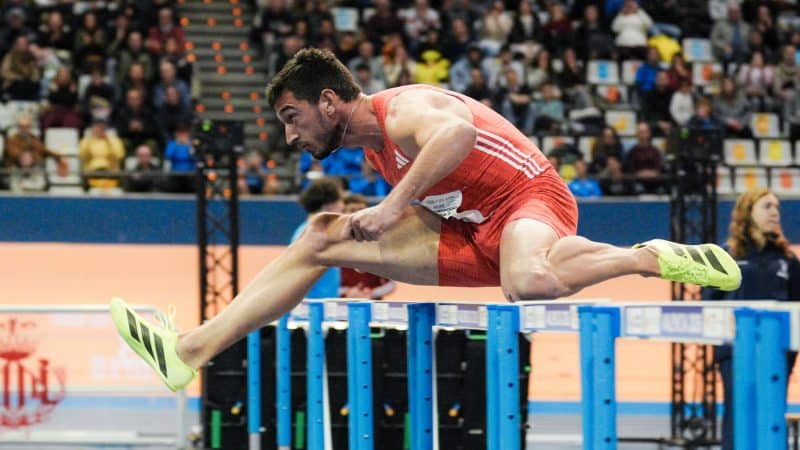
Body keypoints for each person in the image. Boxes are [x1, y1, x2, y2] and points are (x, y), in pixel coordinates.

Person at [111, 48, 743, 391]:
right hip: (469, 227)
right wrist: (389, 211)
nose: (289, 135)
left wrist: (390, 208)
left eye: (291, 115)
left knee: (528, 281)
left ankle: (647, 256)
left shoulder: (404, 108)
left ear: (328, 102)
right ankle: (189, 350)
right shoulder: (371, 146)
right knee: (320, 236)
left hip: (528, 201)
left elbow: (459, 134)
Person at [702, 188, 800, 450]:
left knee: (771, 417)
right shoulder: (725, 256)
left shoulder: (787, 260)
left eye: (777, 207)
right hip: (735, 353)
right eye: (767, 206)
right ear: (748, 212)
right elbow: (708, 305)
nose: (775, 213)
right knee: (739, 418)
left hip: (778, 353)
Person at [291, 178, 345, 299]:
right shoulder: (311, 235)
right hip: (310, 309)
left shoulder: (311, 232)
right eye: (340, 200)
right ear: (328, 205)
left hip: (323, 307)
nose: (343, 206)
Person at [340, 194, 397, 299]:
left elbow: (391, 284)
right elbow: (326, 283)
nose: (357, 214)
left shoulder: (378, 246)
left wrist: (370, 293)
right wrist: (348, 292)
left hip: (373, 306)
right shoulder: (334, 248)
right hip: (341, 306)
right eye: (352, 210)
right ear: (343, 213)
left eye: (361, 210)